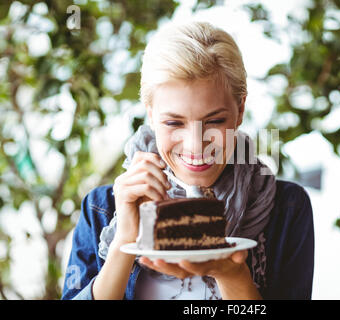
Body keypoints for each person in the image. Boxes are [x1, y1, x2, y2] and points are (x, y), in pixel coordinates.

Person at [61, 21, 314, 300]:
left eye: (215, 121)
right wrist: (124, 238)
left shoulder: (286, 207)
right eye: (173, 122)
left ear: (240, 110)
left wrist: (231, 273)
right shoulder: (103, 209)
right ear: (151, 114)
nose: (195, 144)